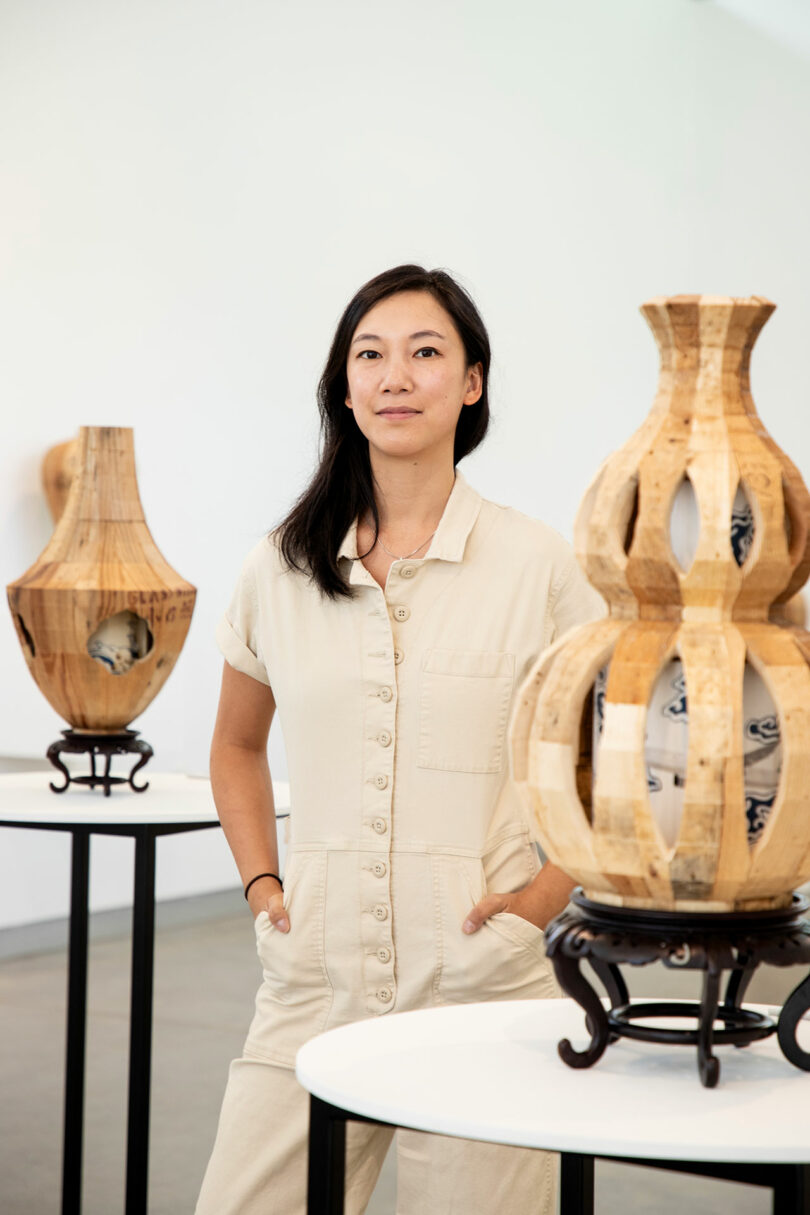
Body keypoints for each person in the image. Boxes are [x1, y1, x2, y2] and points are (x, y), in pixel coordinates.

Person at [195, 265, 603, 1215]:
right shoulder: (281, 566)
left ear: (472, 383)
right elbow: (236, 745)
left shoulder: (538, 563)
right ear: (344, 386)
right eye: (369, 354)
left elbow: (609, 755)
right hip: (310, 974)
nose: (395, 376)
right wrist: (265, 888)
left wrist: (543, 898)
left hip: (485, 978)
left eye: (426, 353)